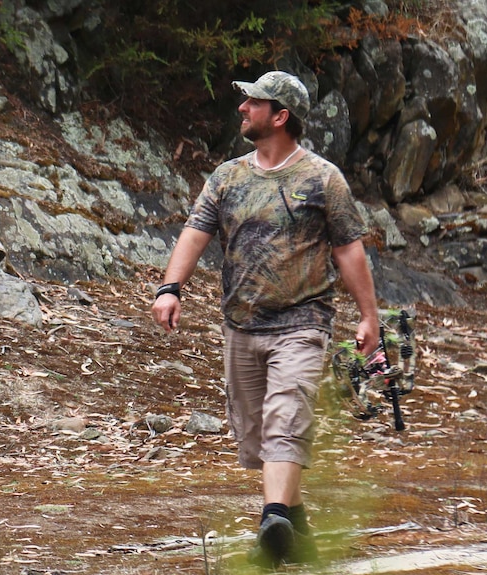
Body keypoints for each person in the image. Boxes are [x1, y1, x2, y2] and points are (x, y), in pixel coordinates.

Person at [151, 70, 378, 568]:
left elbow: (349, 251)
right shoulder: (227, 176)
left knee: (286, 419)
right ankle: (297, 531)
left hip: (303, 323)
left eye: (253, 102)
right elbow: (195, 233)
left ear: (280, 116)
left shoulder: (323, 178)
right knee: (258, 436)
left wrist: (369, 318)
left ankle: (270, 520)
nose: (242, 108)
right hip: (240, 326)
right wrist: (171, 287)